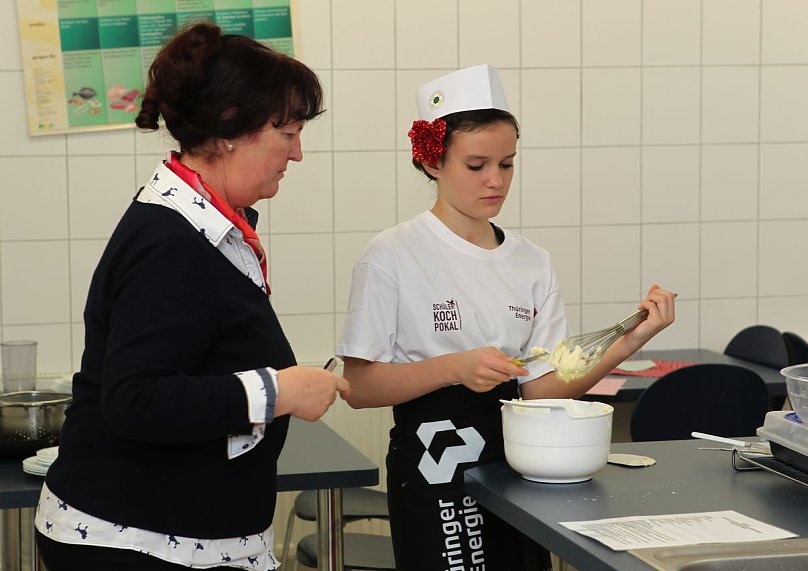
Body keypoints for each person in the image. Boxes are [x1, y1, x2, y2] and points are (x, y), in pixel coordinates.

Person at [34, 22, 349, 571]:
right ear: (231, 129)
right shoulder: (170, 240)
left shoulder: (208, 226)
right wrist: (277, 390)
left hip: (181, 531)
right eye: (288, 133)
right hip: (133, 540)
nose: (297, 154)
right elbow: (134, 400)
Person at [336, 64, 675, 570]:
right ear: (433, 162)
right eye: (476, 165)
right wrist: (454, 368)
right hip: (434, 467)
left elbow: (541, 388)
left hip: (519, 465)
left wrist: (628, 342)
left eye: (508, 163)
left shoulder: (531, 260)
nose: (496, 181)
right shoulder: (393, 254)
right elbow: (359, 388)